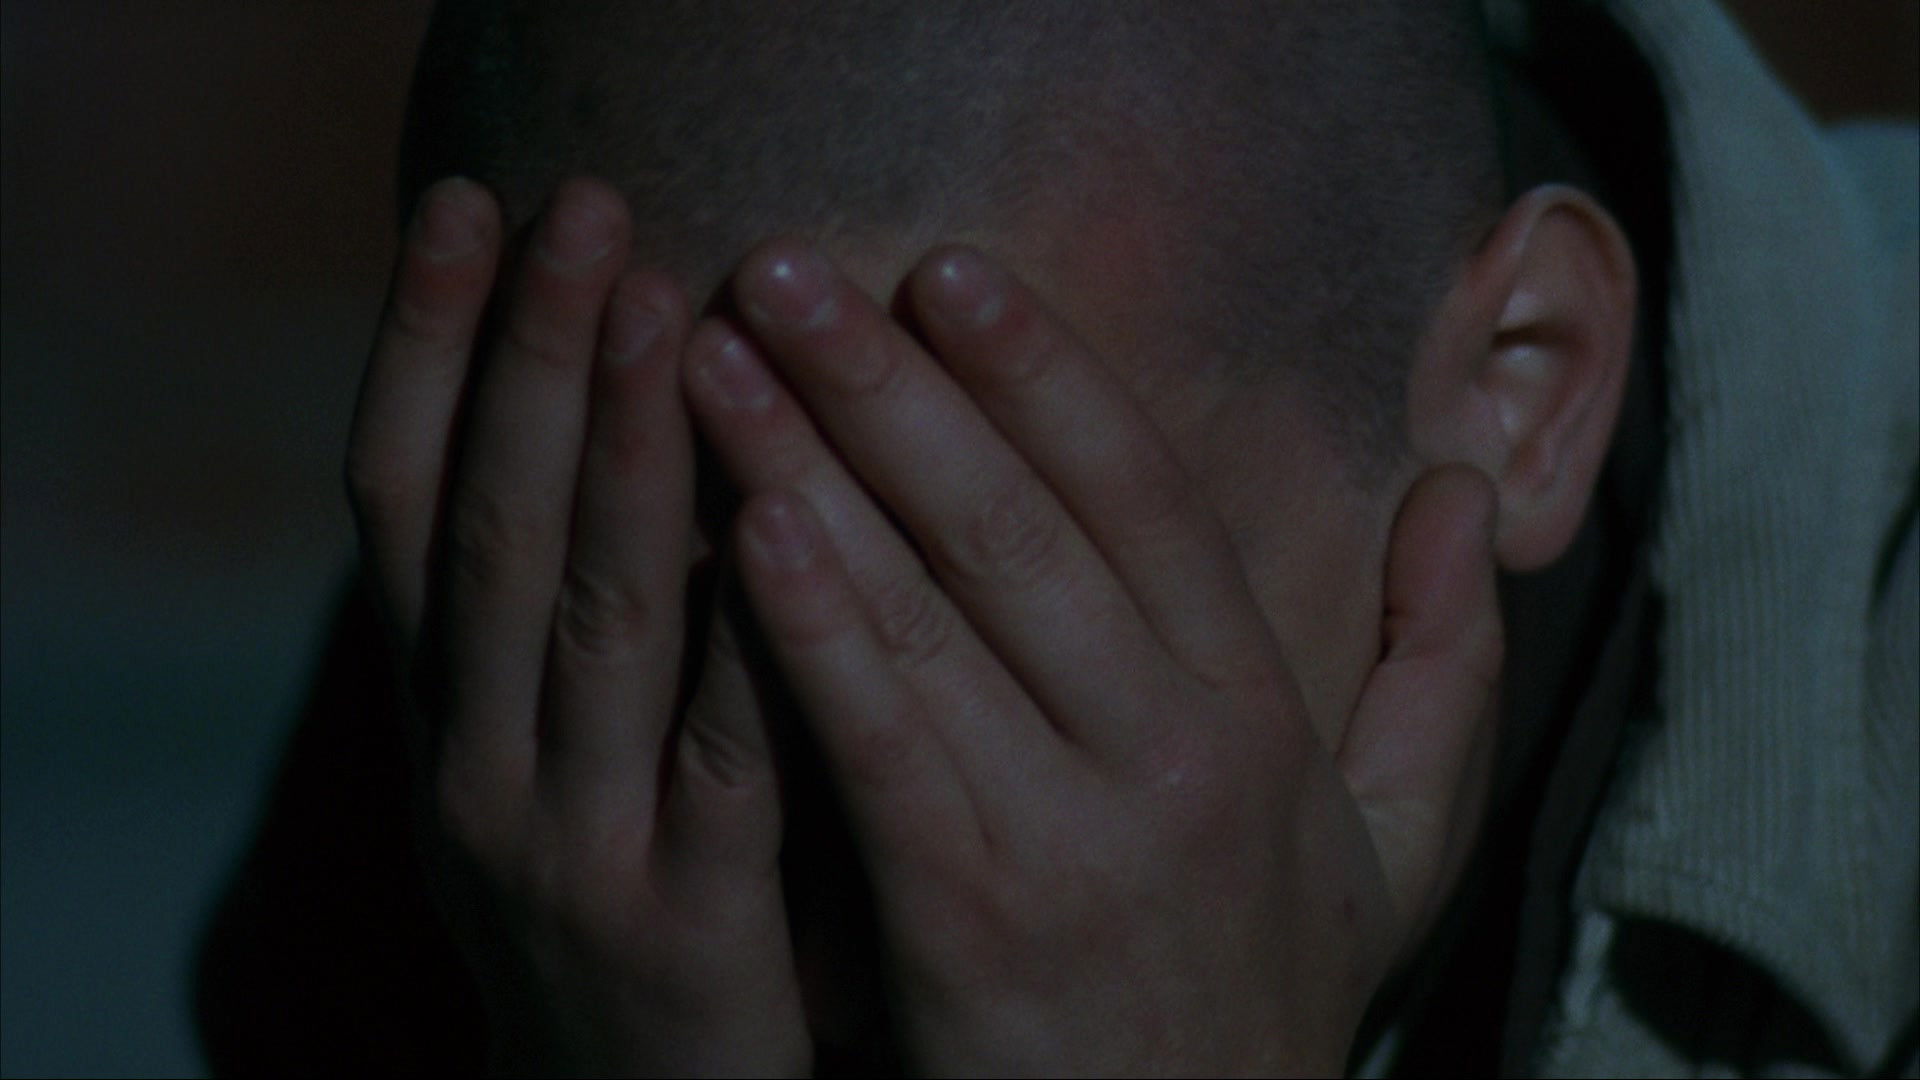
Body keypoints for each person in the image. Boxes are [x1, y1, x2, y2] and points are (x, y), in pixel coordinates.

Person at [196, 0, 1917, 1075]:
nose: (830, 988)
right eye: (720, 678)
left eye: (1015, 638)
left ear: (1522, 387)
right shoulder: (532, 768)